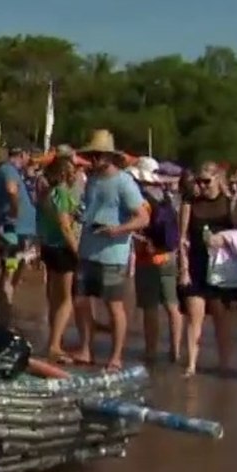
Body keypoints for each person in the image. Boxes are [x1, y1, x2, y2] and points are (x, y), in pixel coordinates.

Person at [71, 131, 149, 371]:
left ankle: (116, 357)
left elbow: (143, 218)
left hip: (113, 254)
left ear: (109, 156)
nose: (93, 159)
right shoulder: (92, 180)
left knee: (114, 306)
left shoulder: (124, 182)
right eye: (91, 155)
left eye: (97, 155)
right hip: (87, 249)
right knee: (80, 301)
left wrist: (118, 229)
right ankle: (86, 348)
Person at [178, 162, 237, 377]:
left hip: (223, 268)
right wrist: (183, 269)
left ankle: (224, 363)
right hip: (196, 264)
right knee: (195, 317)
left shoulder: (230, 204)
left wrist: (224, 238)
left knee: (222, 319)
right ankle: (191, 364)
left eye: (206, 181)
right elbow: (182, 239)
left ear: (218, 180)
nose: (202, 186)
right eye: (199, 181)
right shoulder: (189, 204)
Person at [127, 157, 183, 363]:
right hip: (169, 256)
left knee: (150, 307)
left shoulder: (141, 199)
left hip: (148, 258)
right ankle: (175, 350)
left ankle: (151, 350)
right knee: (172, 305)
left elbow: (137, 226)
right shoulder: (167, 196)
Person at [36, 156, 81, 362]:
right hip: (62, 248)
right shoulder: (61, 192)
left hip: (48, 246)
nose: (76, 174)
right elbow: (64, 225)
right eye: (72, 171)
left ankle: (53, 341)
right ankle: (55, 345)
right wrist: (77, 251)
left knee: (54, 298)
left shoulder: (47, 193)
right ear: (64, 173)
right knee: (66, 300)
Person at [0, 141, 37, 328]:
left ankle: (8, 309)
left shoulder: (14, 171)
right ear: (23, 154)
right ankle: (5, 320)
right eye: (28, 155)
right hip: (11, 232)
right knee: (9, 271)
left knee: (18, 268)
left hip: (23, 232)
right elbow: (11, 190)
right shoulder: (8, 169)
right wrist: (15, 212)